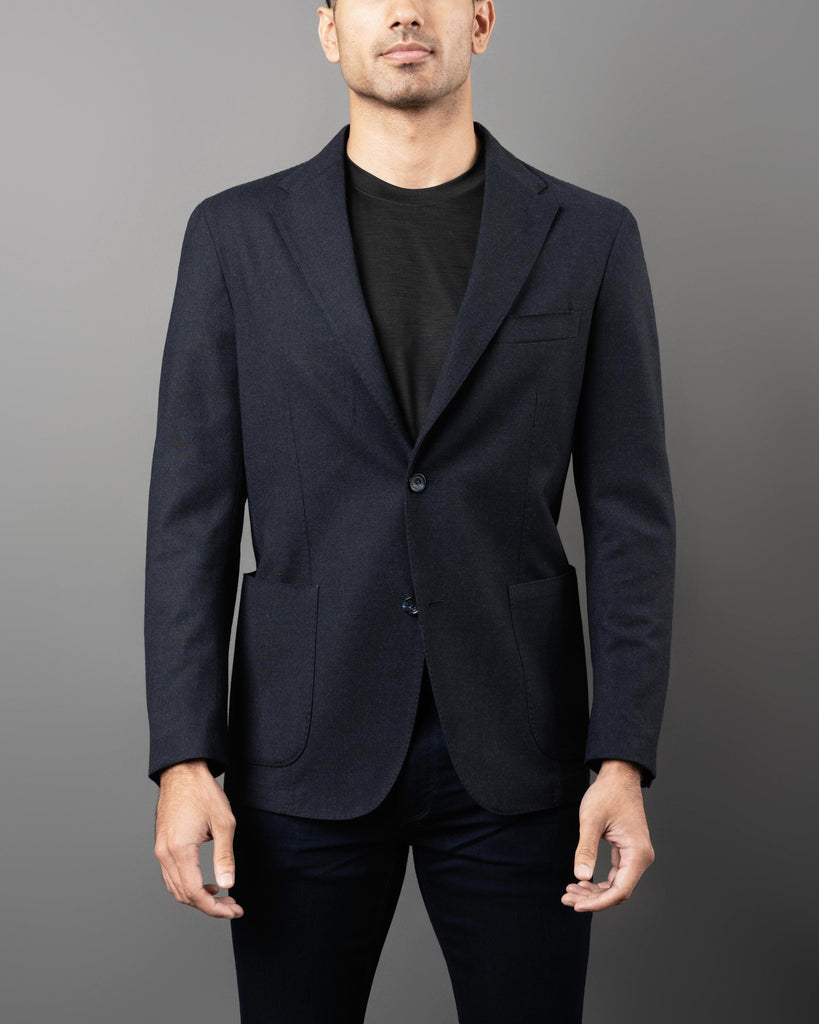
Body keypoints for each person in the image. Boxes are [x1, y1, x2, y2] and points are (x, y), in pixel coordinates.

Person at [145, 2, 675, 1021]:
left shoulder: (589, 237)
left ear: (480, 19)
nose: (402, 11)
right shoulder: (235, 235)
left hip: (522, 753)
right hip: (300, 748)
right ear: (329, 28)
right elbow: (188, 517)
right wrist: (183, 757)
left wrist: (622, 756)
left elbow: (630, 521)